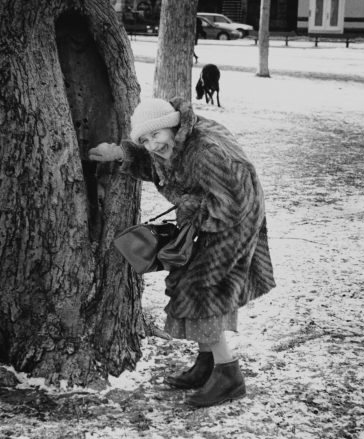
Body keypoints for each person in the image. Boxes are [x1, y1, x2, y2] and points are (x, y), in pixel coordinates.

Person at [88, 97, 275, 407]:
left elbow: (232, 204)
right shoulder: (176, 140)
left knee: (201, 288)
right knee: (190, 280)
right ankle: (207, 364)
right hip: (212, 212)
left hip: (235, 218)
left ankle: (229, 375)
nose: (151, 145)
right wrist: (120, 152)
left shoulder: (205, 151)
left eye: (155, 136)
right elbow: (156, 163)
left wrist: (190, 210)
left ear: (171, 125)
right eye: (144, 140)